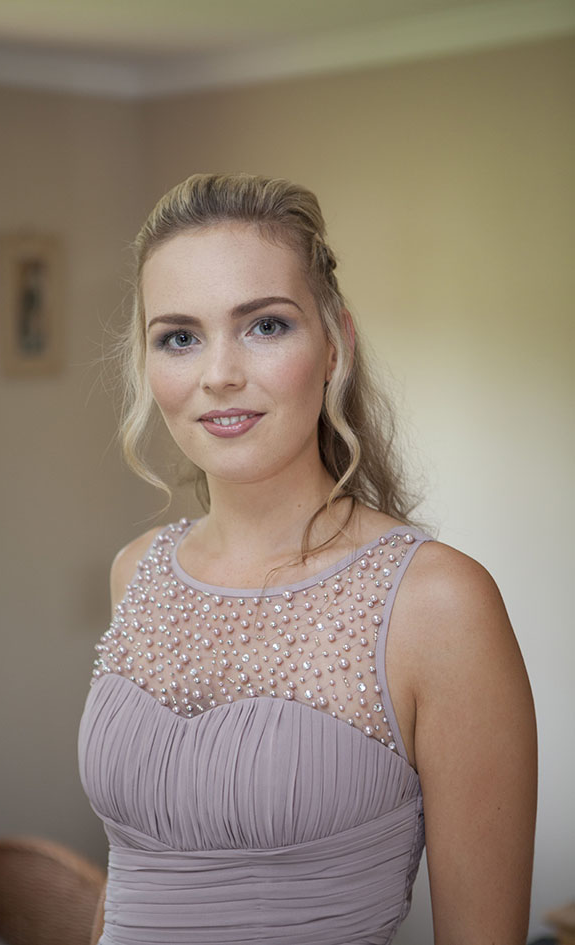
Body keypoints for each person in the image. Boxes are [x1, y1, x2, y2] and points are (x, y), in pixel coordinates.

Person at [78, 173, 537, 944]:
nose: (219, 372)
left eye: (264, 325)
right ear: (149, 364)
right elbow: (129, 876)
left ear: (335, 345)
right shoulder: (137, 571)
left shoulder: (437, 603)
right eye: (179, 336)